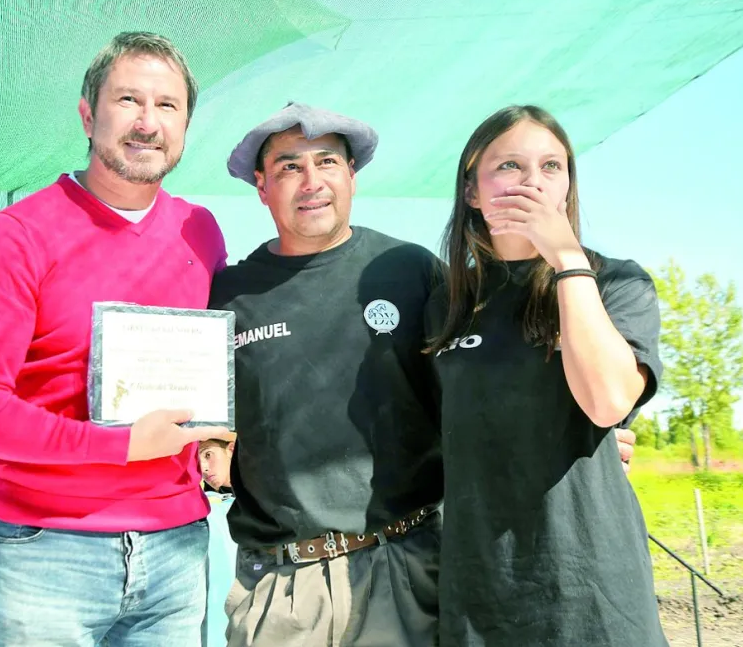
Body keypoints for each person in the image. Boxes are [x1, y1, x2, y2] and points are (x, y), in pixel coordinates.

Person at [208, 102, 638, 646]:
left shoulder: (414, 273)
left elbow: (480, 380)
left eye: (327, 162)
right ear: (261, 185)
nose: (311, 181)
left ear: (352, 177)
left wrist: (582, 431)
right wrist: (217, 442)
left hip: (406, 567)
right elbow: (208, 414)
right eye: (290, 166)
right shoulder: (227, 295)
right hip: (284, 590)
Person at [0, 31, 230, 647]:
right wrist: (119, 446)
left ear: (185, 124)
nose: (147, 122)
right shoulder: (18, 235)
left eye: (168, 105)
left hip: (177, 549)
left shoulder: (199, 232)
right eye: (128, 100)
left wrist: (219, 442)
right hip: (48, 549)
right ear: (87, 114)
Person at [425, 104, 667, 646]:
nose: (533, 182)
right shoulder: (446, 302)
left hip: (593, 589)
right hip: (479, 589)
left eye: (552, 167)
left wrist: (565, 259)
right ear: (471, 191)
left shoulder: (616, 284)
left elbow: (607, 403)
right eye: (509, 166)